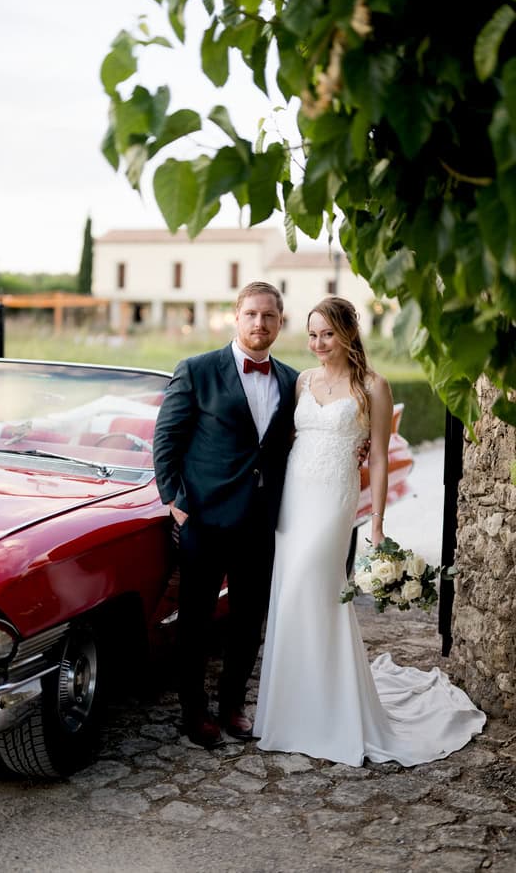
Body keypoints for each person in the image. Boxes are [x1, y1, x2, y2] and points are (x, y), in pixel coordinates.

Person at [254, 296, 486, 765]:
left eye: (328, 334)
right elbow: (293, 441)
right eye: (313, 334)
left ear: (348, 333)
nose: (319, 343)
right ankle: (294, 706)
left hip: (333, 500)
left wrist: (377, 522)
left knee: (313, 584)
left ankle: (332, 712)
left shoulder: (372, 387)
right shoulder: (301, 381)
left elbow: (379, 456)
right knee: (292, 592)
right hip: (294, 498)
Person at [152, 282, 298, 748]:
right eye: (252, 314)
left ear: (280, 322)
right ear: (236, 317)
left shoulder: (293, 381)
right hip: (205, 520)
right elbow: (166, 440)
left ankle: (232, 705)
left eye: (269, 316)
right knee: (194, 622)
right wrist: (176, 502)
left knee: (248, 620)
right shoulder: (196, 370)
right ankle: (194, 714)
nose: (260, 323)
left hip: (260, 521)